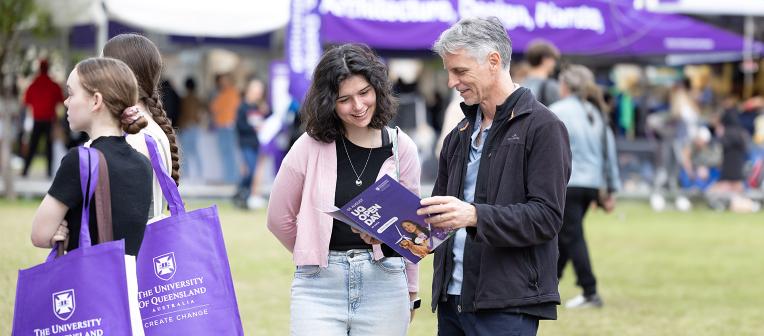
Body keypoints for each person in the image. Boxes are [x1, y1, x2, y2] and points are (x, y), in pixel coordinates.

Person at [418, 17, 571, 335]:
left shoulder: (544, 128)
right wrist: (389, 235)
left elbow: (546, 218)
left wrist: (474, 215)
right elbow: (441, 219)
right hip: (452, 301)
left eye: (459, 71)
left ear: (493, 61)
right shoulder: (458, 135)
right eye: (449, 71)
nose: (451, 82)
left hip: (507, 304)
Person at [267, 44, 422, 335]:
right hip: (318, 287)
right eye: (344, 99)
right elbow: (278, 218)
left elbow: (411, 231)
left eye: (364, 93)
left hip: (386, 284)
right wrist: (312, 249)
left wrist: (411, 291)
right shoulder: (308, 147)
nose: (358, 106)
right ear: (329, 103)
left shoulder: (402, 148)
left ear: (377, 88)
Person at [30, 57, 152, 256]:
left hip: (87, 283)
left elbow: (40, 234)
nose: (65, 101)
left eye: (71, 93)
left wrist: (65, 232)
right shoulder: (143, 164)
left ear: (96, 101)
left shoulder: (80, 161)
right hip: (126, 283)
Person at [548, 65, 621, 308]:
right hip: (591, 185)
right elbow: (608, 152)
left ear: (565, 86)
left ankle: (590, 291)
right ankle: (550, 283)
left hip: (567, 182)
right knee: (568, 234)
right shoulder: (596, 113)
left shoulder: (556, 111)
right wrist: (610, 190)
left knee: (571, 236)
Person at [103, 33, 179, 221]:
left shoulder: (136, 136)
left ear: (120, 74)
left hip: (134, 248)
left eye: (103, 67)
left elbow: (120, 214)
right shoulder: (150, 127)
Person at [22, 59, 64, 177]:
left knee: (32, 146)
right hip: (49, 120)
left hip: (37, 119)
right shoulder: (53, 84)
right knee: (48, 147)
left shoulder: (33, 84)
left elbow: (26, 102)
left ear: (39, 68)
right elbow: (61, 101)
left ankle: (25, 171)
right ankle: (49, 172)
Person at [234, 78, 269, 209]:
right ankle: (242, 191)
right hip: (246, 143)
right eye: (256, 91)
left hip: (257, 144)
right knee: (250, 169)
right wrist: (254, 127)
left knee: (254, 172)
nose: (258, 94)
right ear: (249, 91)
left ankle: (243, 195)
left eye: (260, 92)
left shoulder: (259, 107)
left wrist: (266, 112)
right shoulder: (242, 107)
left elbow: (268, 119)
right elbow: (240, 126)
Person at [210, 73, 241, 184]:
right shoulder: (222, 93)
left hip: (228, 127)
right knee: (225, 153)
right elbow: (213, 108)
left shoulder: (233, 93)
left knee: (229, 153)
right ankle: (229, 177)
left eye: (224, 80)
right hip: (222, 126)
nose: (222, 83)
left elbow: (234, 110)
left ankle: (232, 178)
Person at [178, 77, 205, 180]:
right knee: (195, 151)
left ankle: (187, 174)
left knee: (185, 151)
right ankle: (199, 173)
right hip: (194, 126)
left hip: (185, 126)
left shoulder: (184, 99)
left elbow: (183, 113)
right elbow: (201, 113)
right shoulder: (198, 99)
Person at [521, 40, 561, 107]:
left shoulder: (520, 84)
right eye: (553, 60)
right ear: (545, 60)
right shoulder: (551, 86)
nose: (554, 64)